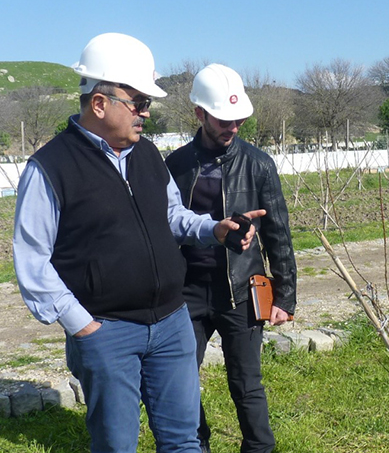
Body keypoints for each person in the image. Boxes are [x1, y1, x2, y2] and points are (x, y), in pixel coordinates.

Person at [13, 33, 262, 453]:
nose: (146, 113)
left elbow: (170, 216)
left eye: (148, 103)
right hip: (107, 331)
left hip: (171, 323)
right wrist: (84, 327)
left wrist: (213, 229)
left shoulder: (146, 153)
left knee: (184, 441)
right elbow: (32, 261)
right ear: (99, 103)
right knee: (117, 447)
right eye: (139, 102)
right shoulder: (50, 168)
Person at [165, 64, 297, 453]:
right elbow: (166, 227)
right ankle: (196, 446)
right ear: (200, 114)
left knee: (246, 382)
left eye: (239, 119)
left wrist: (285, 297)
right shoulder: (175, 165)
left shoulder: (258, 164)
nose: (233, 126)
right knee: (182, 380)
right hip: (187, 293)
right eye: (224, 119)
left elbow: (279, 235)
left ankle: (259, 449)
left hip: (241, 291)